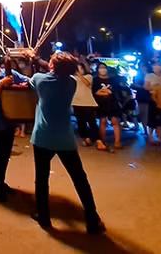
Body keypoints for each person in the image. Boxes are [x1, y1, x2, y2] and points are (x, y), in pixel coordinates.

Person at [29, 53, 105, 234]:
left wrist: (34, 59)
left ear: (52, 66)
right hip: (65, 139)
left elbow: (35, 78)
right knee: (80, 179)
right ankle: (92, 219)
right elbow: (56, 70)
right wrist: (37, 58)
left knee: (42, 179)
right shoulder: (71, 83)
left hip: (43, 137)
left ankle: (44, 217)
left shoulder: (39, 80)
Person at [0, 55, 29, 202]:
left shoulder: (10, 73)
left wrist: (23, 85)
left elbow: (28, 80)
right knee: (0, 154)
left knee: (6, 153)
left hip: (10, 120)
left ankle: (1, 182)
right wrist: (1, 84)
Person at [92, 63, 122, 152]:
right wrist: (105, 92)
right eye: (100, 68)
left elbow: (112, 91)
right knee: (103, 121)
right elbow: (96, 92)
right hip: (101, 104)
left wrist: (102, 92)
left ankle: (117, 142)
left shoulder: (113, 80)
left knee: (115, 121)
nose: (102, 69)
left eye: (104, 68)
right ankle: (102, 141)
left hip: (113, 103)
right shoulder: (95, 80)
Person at [72, 62, 99, 146]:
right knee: (81, 122)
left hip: (88, 102)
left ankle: (96, 138)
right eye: (77, 68)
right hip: (76, 102)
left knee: (92, 122)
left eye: (81, 68)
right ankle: (86, 138)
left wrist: (79, 75)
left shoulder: (89, 76)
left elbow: (87, 83)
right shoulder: (72, 78)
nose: (79, 70)